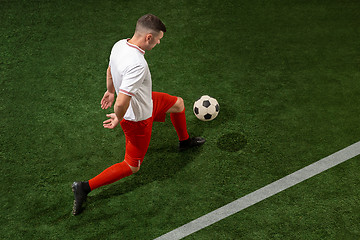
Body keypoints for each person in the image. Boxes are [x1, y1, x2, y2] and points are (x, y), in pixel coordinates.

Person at [72, 14, 205, 215]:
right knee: (132, 166)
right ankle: (84, 187)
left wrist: (109, 90)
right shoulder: (137, 64)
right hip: (137, 118)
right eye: (159, 39)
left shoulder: (119, 45)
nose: (159, 43)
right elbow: (122, 103)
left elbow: (110, 70)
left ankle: (184, 141)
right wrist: (119, 116)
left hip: (146, 100)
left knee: (178, 104)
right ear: (148, 38)